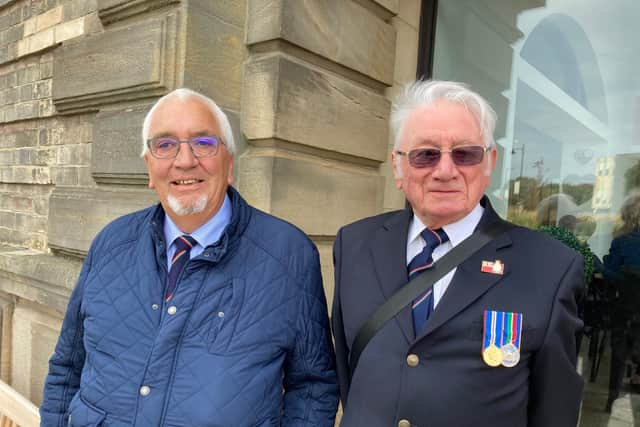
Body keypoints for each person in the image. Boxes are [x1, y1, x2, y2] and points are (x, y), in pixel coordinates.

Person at [40, 88, 339, 426]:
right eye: (165, 144)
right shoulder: (110, 243)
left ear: (229, 164)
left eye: (204, 143)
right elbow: (67, 367)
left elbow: (313, 387)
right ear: (149, 167)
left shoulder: (288, 254)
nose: (184, 160)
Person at [332, 80, 584, 427]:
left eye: (465, 154)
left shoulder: (550, 267)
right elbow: (351, 373)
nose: (445, 170)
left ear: (489, 162)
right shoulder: (355, 244)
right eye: (425, 154)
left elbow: (554, 412)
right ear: (397, 167)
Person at [603, 193, 640, 411]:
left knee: (621, 326)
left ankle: (613, 395)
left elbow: (613, 276)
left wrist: (598, 263)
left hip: (626, 311)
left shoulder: (622, 242)